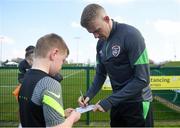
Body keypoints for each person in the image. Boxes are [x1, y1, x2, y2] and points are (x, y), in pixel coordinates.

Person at [78, 3, 153, 127]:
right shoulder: (100, 44)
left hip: (137, 103)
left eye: (97, 30)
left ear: (106, 19)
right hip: (117, 102)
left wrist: (110, 101)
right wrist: (88, 95)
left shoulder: (131, 35)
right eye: (92, 33)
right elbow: (100, 74)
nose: (96, 36)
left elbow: (142, 79)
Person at [18, 33, 81, 127]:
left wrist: (61, 113)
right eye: (63, 60)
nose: (61, 66)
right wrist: (73, 117)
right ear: (54, 54)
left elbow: (35, 113)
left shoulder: (26, 78)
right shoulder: (49, 84)